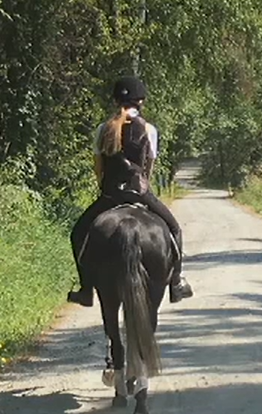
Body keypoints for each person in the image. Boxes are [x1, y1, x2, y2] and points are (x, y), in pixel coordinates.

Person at [67, 75, 193, 307]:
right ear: (141, 102)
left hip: (110, 196)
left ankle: (85, 289)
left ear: (116, 101)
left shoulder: (103, 129)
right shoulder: (148, 129)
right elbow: (148, 168)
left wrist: (106, 189)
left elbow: (98, 168)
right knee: (174, 229)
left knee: (77, 233)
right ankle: (176, 283)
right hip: (140, 193)